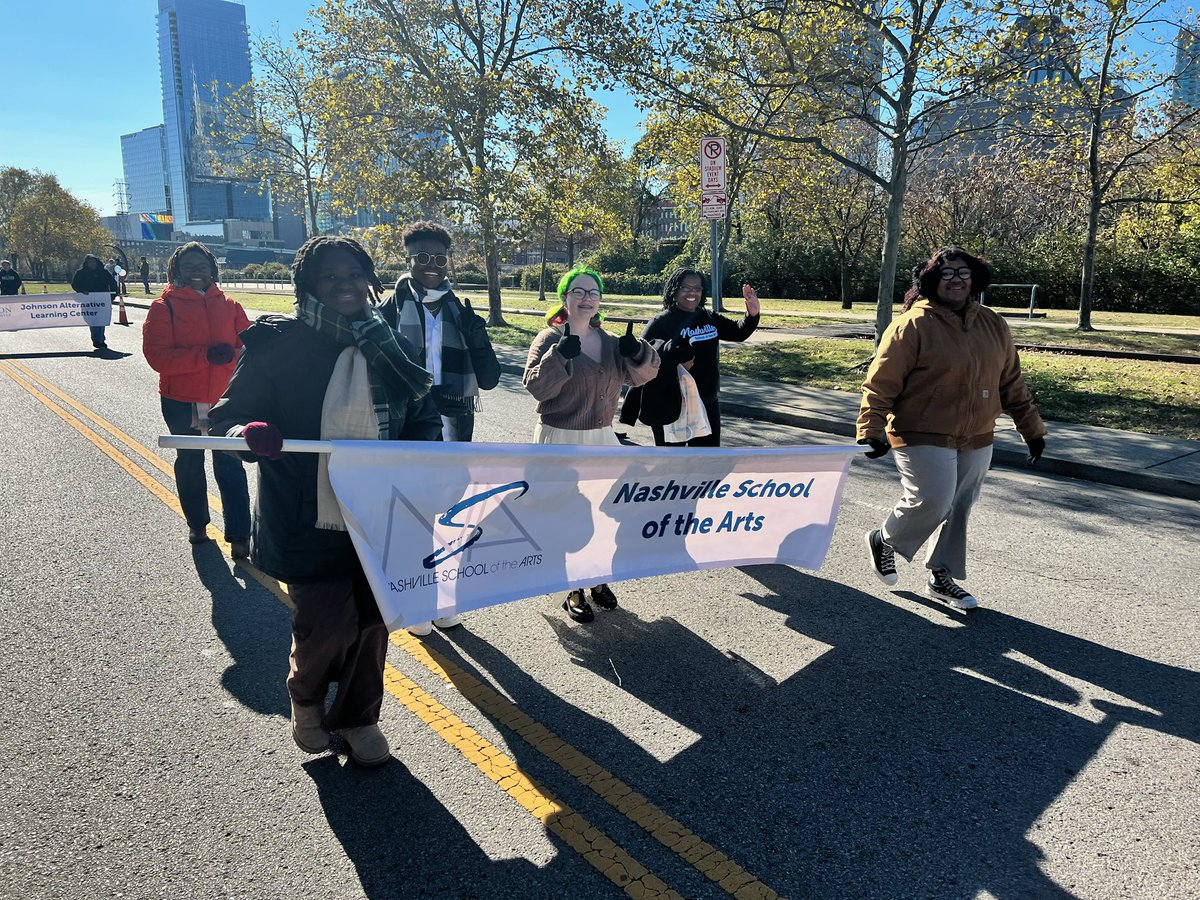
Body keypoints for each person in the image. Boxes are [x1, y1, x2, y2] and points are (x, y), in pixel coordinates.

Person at [209, 235, 441, 768]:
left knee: (372, 620)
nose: (345, 285)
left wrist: (423, 452)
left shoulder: (391, 348)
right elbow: (224, 420)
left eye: (354, 274)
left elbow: (423, 413)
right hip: (304, 511)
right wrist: (249, 430)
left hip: (381, 509)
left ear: (370, 280)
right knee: (326, 621)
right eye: (330, 277)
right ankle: (307, 699)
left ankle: (361, 718)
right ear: (309, 286)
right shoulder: (278, 344)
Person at [857, 246, 1046, 610]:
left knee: (959, 508)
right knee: (934, 499)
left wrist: (1032, 429)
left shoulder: (993, 324)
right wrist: (871, 428)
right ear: (932, 281)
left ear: (975, 279)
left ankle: (941, 576)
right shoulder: (913, 324)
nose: (956, 280)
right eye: (947, 274)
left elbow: (1012, 383)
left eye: (963, 273)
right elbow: (881, 383)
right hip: (921, 431)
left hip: (976, 434)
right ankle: (885, 538)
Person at [378, 221, 501, 636]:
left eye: (440, 258)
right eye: (423, 258)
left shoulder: (460, 309)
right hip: (406, 421)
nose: (432, 266)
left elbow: (488, 380)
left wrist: (476, 336)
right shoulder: (389, 309)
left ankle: (445, 597)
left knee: (449, 513)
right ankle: (416, 602)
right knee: (413, 514)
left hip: (452, 419)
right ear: (408, 260)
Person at [523, 266, 659, 623]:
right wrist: (561, 356)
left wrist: (638, 351)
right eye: (578, 292)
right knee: (565, 516)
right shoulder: (548, 339)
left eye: (593, 293)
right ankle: (572, 587)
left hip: (601, 440)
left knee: (602, 516)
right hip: (561, 440)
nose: (586, 299)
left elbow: (646, 375)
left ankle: (597, 580)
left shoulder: (612, 342)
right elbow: (536, 387)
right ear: (564, 298)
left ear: (600, 301)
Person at [142, 241, 252, 555]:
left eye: (202, 266)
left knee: (230, 463)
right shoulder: (164, 308)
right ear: (175, 270)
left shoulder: (230, 306)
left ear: (212, 270)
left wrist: (227, 358)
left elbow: (247, 351)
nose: (196, 271)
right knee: (190, 462)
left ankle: (240, 536)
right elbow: (158, 357)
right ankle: (198, 525)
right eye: (188, 266)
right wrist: (205, 356)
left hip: (226, 399)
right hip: (181, 400)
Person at [620, 268, 760, 446]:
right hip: (670, 406)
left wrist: (752, 314)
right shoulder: (660, 323)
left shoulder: (707, 317)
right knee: (673, 466)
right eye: (685, 288)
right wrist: (672, 368)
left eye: (697, 288)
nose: (692, 293)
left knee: (706, 463)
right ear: (674, 290)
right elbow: (643, 366)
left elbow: (738, 332)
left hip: (706, 403)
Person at [70, 254, 119, 350]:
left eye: (93, 262)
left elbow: (113, 283)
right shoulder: (80, 273)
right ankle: (96, 339)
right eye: (90, 262)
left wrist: (112, 296)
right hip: (88, 301)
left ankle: (100, 339)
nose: (92, 264)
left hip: (102, 301)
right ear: (86, 263)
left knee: (101, 320)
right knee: (92, 320)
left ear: (97, 262)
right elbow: (75, 285)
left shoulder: (103, 272)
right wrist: (81, 291)